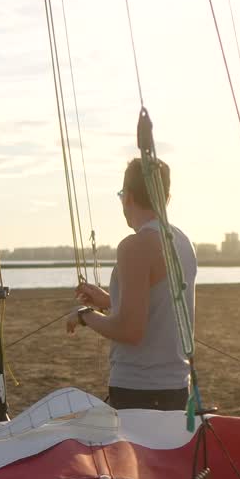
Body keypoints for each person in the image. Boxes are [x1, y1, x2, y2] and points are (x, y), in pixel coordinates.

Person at [65, 157, 197, 411]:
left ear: (128, 197)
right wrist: (109, 300)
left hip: (139, 390)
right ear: (166, 199)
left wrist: (85, 315)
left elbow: (130, 330)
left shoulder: (135, 246)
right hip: (177, 387)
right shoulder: (182, 241)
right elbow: (157, 303)